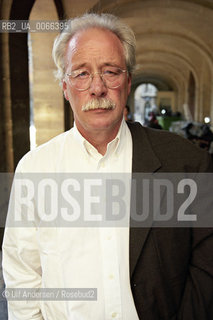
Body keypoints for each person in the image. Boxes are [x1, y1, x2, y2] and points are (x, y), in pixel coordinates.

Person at [2, 13, 213, 320]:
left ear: (128, 82)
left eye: (110, 72)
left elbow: (206, 265)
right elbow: (23, 275)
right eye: (81, 74)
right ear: (64, 86)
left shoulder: (186, 163)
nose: (97, 88)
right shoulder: (34, 170)